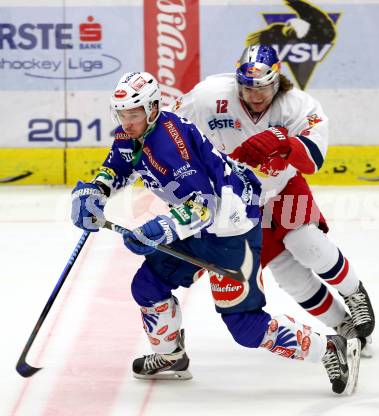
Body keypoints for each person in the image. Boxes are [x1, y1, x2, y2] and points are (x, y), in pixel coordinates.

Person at [70, 71, 361, 394]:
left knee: (246, 327)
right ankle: (171, 356)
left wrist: (161, 227)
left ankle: (328, 348)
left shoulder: (169, 145)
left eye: (134, 114)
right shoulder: (134, 134)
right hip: (196, 228)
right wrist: (95, 191)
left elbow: (204, 206)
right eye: (122, 114)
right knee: (147, 286)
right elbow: (118, 165)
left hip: (231, 231)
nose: (127, 122)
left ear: (152, 109)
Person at [168, 45, 375, 348]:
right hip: (239, 206)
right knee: (289, 275)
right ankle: (343, 325)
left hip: (283, 189)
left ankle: (353, 291)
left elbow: (313, 161)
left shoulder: (297, 106)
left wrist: (285, 142)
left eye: (262, 87)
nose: (254, 95)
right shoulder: (208, 96)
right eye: (247, 87)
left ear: (277, 81)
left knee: (305, 243)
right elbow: (169, 126)